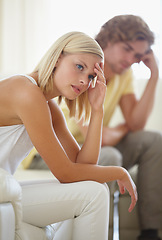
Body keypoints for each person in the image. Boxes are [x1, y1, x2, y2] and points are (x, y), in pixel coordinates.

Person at [0, 31, 137, 240]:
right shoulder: (26, 92)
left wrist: (97, 111)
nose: (84, 81)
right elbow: (66, 173)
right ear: (58, 58)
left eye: (91, 76)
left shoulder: (49, 106)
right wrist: (119, 172)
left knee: (92, 187)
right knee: (94, 194)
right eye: (79, 67)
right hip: (3, 189)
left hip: (5, 189)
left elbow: (83, 164)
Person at [59, 16, 162, 240]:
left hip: (96, 148)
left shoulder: (124, 75)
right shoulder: (85, 68)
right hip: (65, 150)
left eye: (137, 55)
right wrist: (123, 128)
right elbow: (102, 139)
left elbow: (136, 124)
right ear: (110, 39)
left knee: (154, 141)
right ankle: (101, 235)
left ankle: (150, 233)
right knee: (109, 154)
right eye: (127, 49)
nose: (131, 59)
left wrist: (155, 75)